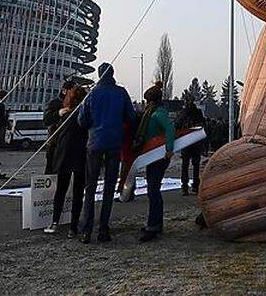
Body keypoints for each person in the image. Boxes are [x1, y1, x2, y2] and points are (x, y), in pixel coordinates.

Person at [77, 62, 136, 244]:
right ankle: (103, 229)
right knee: (109, 187)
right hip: (114, 143)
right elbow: (131, 117)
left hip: (95, 142)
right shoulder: (121, 93)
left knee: (90, 186)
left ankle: (86, 230)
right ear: (112, 74)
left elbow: (81, 120)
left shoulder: (92, 94)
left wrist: (92, 128)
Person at [44, 85, 89, 237]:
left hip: (64, 155)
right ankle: (73, 226)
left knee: (61, 190)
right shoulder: (85, 114)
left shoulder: (65, 115)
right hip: (81, 154)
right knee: (78, 192)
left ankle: (55, 221)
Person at [136, 84, 175, 241]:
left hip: (158, 156)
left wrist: (169, 149)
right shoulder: (153, 113)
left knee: (153, 190)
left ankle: (153, 226)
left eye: (147, 101)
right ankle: (155, 224)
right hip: (153, 155)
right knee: (153, 190)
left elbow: (170, 128)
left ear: (152, 101)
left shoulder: (158, 114)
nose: (146, 104)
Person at [44, 80, 77, 174]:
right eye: (73, 91)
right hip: (55, 143)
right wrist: (59, 113)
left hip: (70, 144)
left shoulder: (75, 104)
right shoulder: (54, 103)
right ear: (64, 91)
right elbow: (46, 120)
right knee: (52, 171)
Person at [175, 98, 205, 195]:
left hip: (186, 142)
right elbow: (203, 125)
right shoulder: (198, 113)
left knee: (185, 165)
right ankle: (195, 186)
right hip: (196, 141)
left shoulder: (183, 113)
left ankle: (184, 187)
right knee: (195, 165)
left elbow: (177, 124)